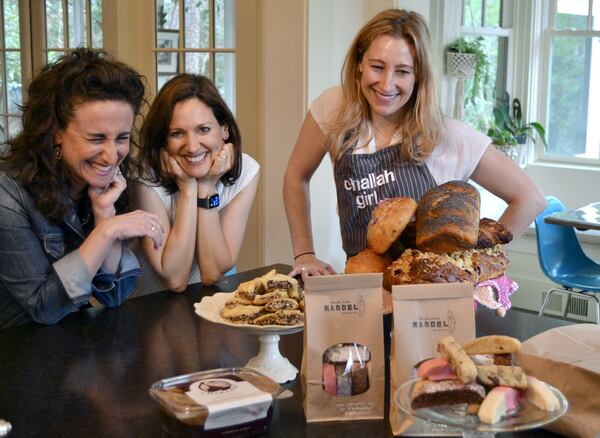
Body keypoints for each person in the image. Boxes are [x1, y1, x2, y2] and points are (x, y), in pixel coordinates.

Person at [283, 9, 546, 278]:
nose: (386, 84)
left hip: (428, 301)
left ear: (418, 75)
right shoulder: (335, 107)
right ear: (359, 63)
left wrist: (477, 263)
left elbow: (530, 199)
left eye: (402, 71)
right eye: (377, 67)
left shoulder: (447, 135)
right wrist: (304, 254)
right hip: (363, 289)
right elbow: (296, 176)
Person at [0, 49, 164, 328]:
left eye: (122, 138)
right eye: (96, 138)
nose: (112, 156)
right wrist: (105, 232)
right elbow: (44, 307)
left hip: (66, 348)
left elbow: (116, 295)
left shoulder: (102, 183)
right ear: (55, 132)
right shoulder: (9, 194)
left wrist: (104, 214)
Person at [132, 74, 259, 292]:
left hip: (209, 302)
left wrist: (207, 187)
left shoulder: (246, 170)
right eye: (177, 133)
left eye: (203, 129)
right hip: (147, 309)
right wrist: (188, 189)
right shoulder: (143, 175)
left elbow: (212, 272)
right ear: (163, 138)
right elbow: (174, 279)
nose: (191, 147)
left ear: (225, 130)